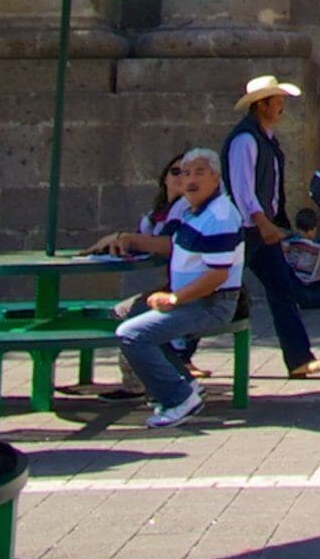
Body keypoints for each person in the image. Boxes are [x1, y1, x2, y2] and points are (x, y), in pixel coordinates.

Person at [89, 148, 241, 428]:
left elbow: (217, 276)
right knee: (130, 313)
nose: (190, 180)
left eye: (199, 173)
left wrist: (174, 298)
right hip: (194, 299)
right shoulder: (195, 211)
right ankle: (185, 383)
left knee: (132, 333)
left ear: (216, 177)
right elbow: (172, 246)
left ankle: (177, 398)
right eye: (185, 173)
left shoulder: (219, 216)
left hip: (212, 303)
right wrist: (130, 241)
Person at [220, 75, 320, 381]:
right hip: (245, 230)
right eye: (277, 101)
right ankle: (179, 353)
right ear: (262, 105)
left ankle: (298, 359)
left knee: (282, 288)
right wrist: (262, 221)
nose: (282, 106)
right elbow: (242, 188)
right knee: (216, 289)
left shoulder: (265, 138)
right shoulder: (245, 139)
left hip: (260, 230)